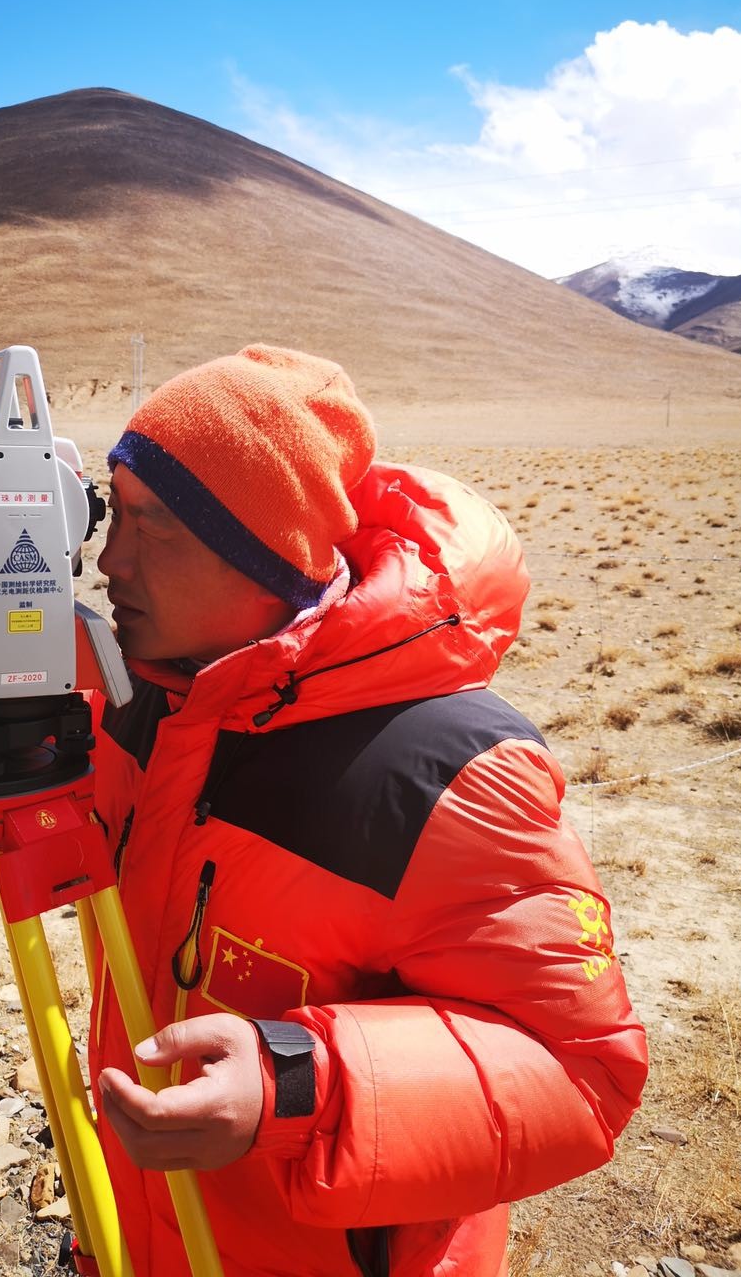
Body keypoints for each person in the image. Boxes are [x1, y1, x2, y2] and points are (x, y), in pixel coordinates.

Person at [85, 344, 647, 1277]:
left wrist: (298, 1084)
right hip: (142, 1233)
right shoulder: (150, 701)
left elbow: (582, 1073)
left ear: (265, 559)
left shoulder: (453, 774)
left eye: (158, 529)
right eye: (113, 514)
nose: (111, 560)